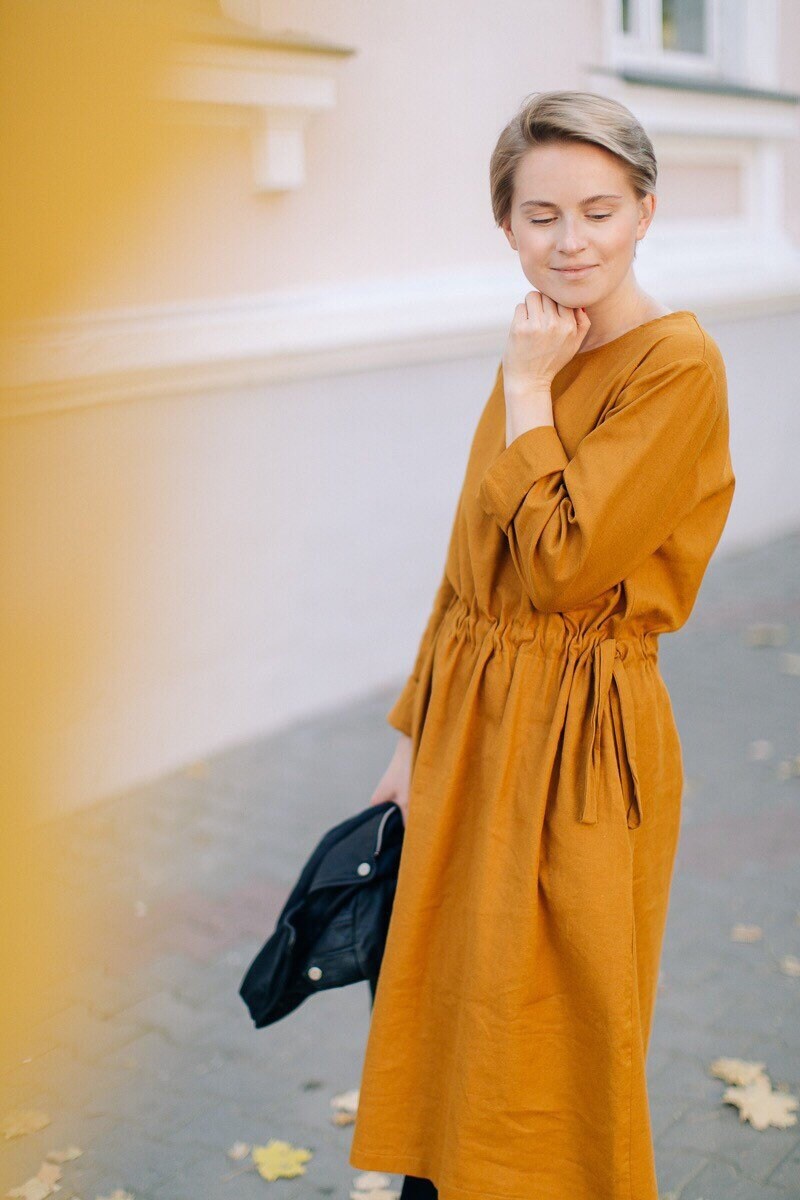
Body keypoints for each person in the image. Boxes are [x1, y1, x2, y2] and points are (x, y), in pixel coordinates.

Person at [348, 90, 736, 1200]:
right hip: (472, 719)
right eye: (540, 216)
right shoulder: (539, 340)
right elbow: (473, 559)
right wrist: (411, 740)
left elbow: (564, 561)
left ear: (645, 212)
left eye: (598, 211)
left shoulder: (675, 367)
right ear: (506, 225)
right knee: (447, 994)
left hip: (576, 737)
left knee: (547, 1028)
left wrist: (527, 391)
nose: (569, 242)